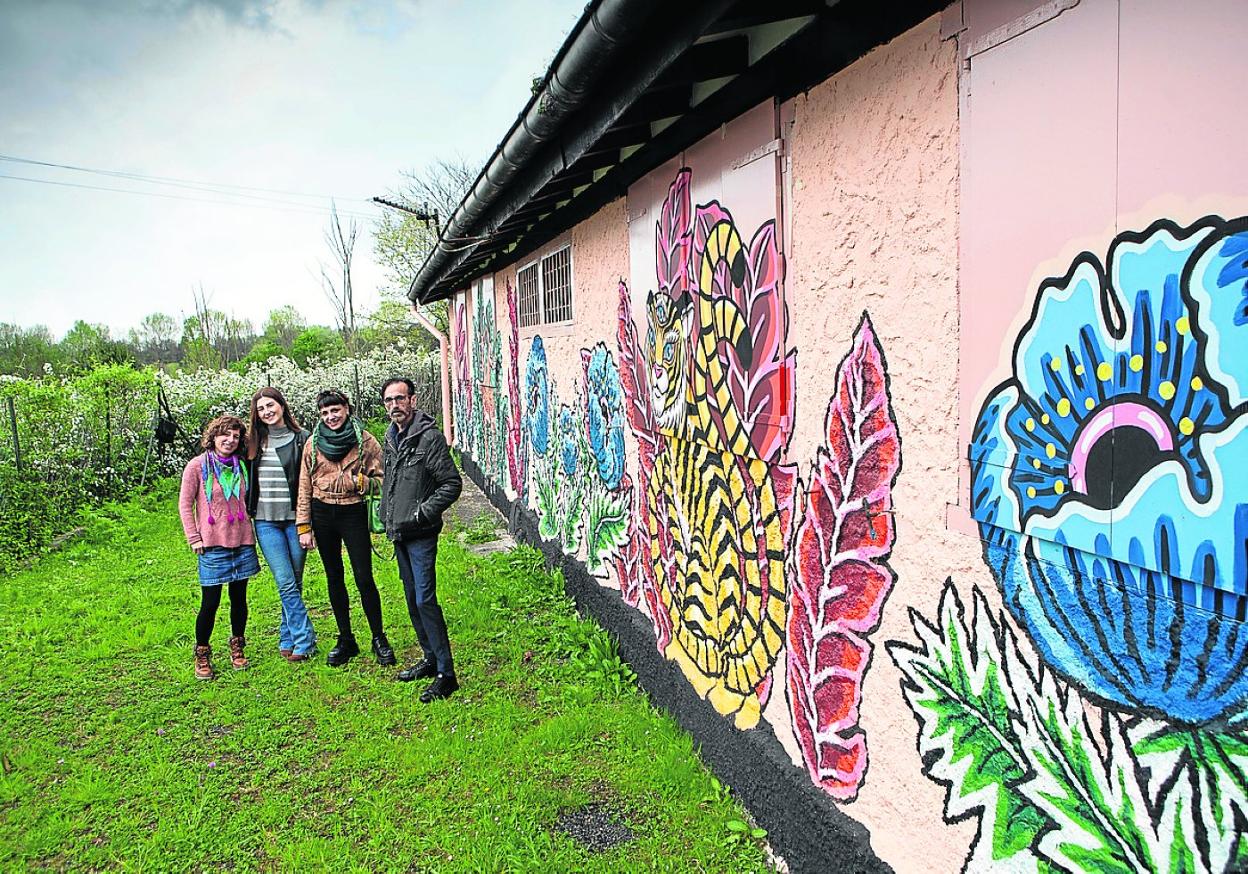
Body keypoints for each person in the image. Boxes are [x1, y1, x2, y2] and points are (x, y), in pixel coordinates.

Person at [379, 377, 463, 702]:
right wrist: (387, 514)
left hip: (421, 533)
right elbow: (393, 482)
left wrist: (421, 513)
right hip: (399, 531)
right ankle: (430, 659)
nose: (394, 405)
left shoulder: (428, 438)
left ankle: (447, 674)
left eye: (399, 398)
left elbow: (450, 484)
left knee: (426, 599)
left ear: (412, 400)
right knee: (413, 598)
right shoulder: (391, 437)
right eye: (389, 400)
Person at [296, 389, 393, 667]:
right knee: (334, 577)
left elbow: (386, 479)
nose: (331, 417)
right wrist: (304, 525)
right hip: (323, 512)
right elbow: (303, 487)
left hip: (353, 512)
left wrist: (365, 483)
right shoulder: (313, 444)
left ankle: (378, 637)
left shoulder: (365, 441)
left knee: (364, 576)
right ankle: (346, 639)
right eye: (325, 413)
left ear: (347, 409)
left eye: (335, 410)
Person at [179, 414, 260, 681]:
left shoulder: (242, 465)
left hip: (242, 541)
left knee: (239, 600)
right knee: (210, 602)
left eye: (236, 436)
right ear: (213, 437)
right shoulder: (197, 466)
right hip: (212, 545)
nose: (230, 440)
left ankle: (237, 647)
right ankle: (202, 653)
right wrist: (194, 537)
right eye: (225, 434)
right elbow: (185, 504)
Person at [246, 387, 316, 662]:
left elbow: (310, 479)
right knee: (285, 581)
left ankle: (286, 636)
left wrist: (308, 522)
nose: (267, 412)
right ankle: (304, 639)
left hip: (295, 520)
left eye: (270, 405)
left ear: (282, 406)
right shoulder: (252, 442)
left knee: (294, 582)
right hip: (265, 522)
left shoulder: (302, 439)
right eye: (261, 408)